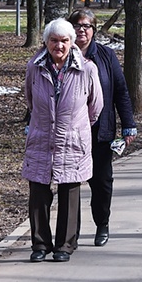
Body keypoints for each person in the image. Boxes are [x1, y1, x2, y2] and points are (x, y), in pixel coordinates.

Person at [23, 18, 104, 262]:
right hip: (41, 137)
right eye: (54, 40)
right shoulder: (34, 67)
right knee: (38, 192)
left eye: (64, 41)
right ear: (46, 42)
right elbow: (30, 100)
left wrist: (75, 128)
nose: (59, 46)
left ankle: (65, 246)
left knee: (69, 191)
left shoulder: (87, 68)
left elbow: (95, 106)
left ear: (72, 42)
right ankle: (40, 245)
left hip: (72, 140)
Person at [68, 9, 136, 247]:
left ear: (94, 30)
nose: (81, 30)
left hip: (100, 131)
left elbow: (120, 91)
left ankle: (102, 224)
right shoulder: (62, 54)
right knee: (70, 183)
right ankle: (70, 234)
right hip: (70, 133)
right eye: (77, 26)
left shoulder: (106, 56)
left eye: (86, 26)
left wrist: (128, 125)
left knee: (102, 181)